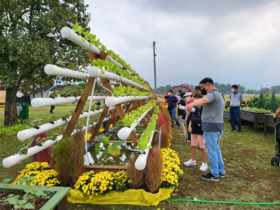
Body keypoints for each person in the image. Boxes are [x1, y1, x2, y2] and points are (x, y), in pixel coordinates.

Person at [184, 77, 225, 181]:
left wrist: (192, 103)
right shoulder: (218, 94)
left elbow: (203, 100)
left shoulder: (213, 93)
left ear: (208, 85)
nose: (202, 89)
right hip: (217, 126)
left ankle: (214, 174)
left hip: (211, 127)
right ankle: (221, 171)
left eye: (203, 87)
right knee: (216, 149)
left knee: (211, 151)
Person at [181, 93, 208, 171]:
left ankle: (204, 163)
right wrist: (189, 126)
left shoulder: (203, 108)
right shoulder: (193, 108)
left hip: (200, 129)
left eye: (197, 98)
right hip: (193, 129)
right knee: (193, 145)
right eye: (195, 98)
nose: (196, 100)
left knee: (202, 146)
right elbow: (191, 117)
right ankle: (192, 160)